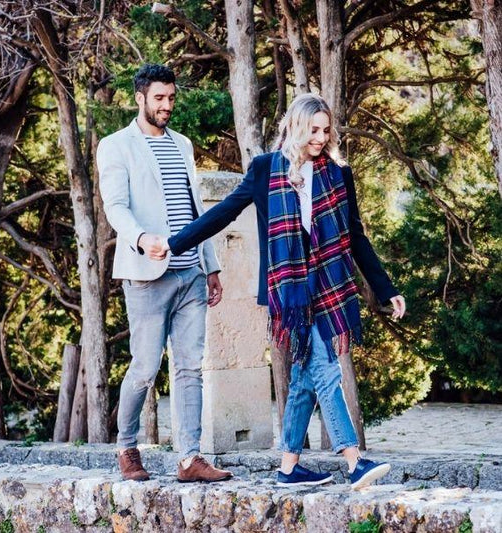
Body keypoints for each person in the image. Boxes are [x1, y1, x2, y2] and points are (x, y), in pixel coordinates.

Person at [145, 93, 406, 490]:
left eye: (326, 130)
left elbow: (355, 235)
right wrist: (174, 243)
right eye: (313, 130)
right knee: (326, 369)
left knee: (304, 378)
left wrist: (385, 289)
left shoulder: (338, 173)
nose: (320, 138)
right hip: (290, 293)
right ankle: (354, 461)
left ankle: (288, 468)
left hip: (329, 288)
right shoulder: (266, 169)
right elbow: (223, 212)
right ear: (295, 127)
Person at [97, 63, 233, 483]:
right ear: (140, 98)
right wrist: (141, 238)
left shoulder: (183, 145)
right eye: (159, 98)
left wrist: (211, 264)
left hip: (191, 274)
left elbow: (196, 211)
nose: (167, 105)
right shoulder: (115, 146)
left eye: (171, 98)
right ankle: (127, 447)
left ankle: (190, 459)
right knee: (145, 367)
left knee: (190, 367)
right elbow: (115, 206)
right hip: (146, 274)